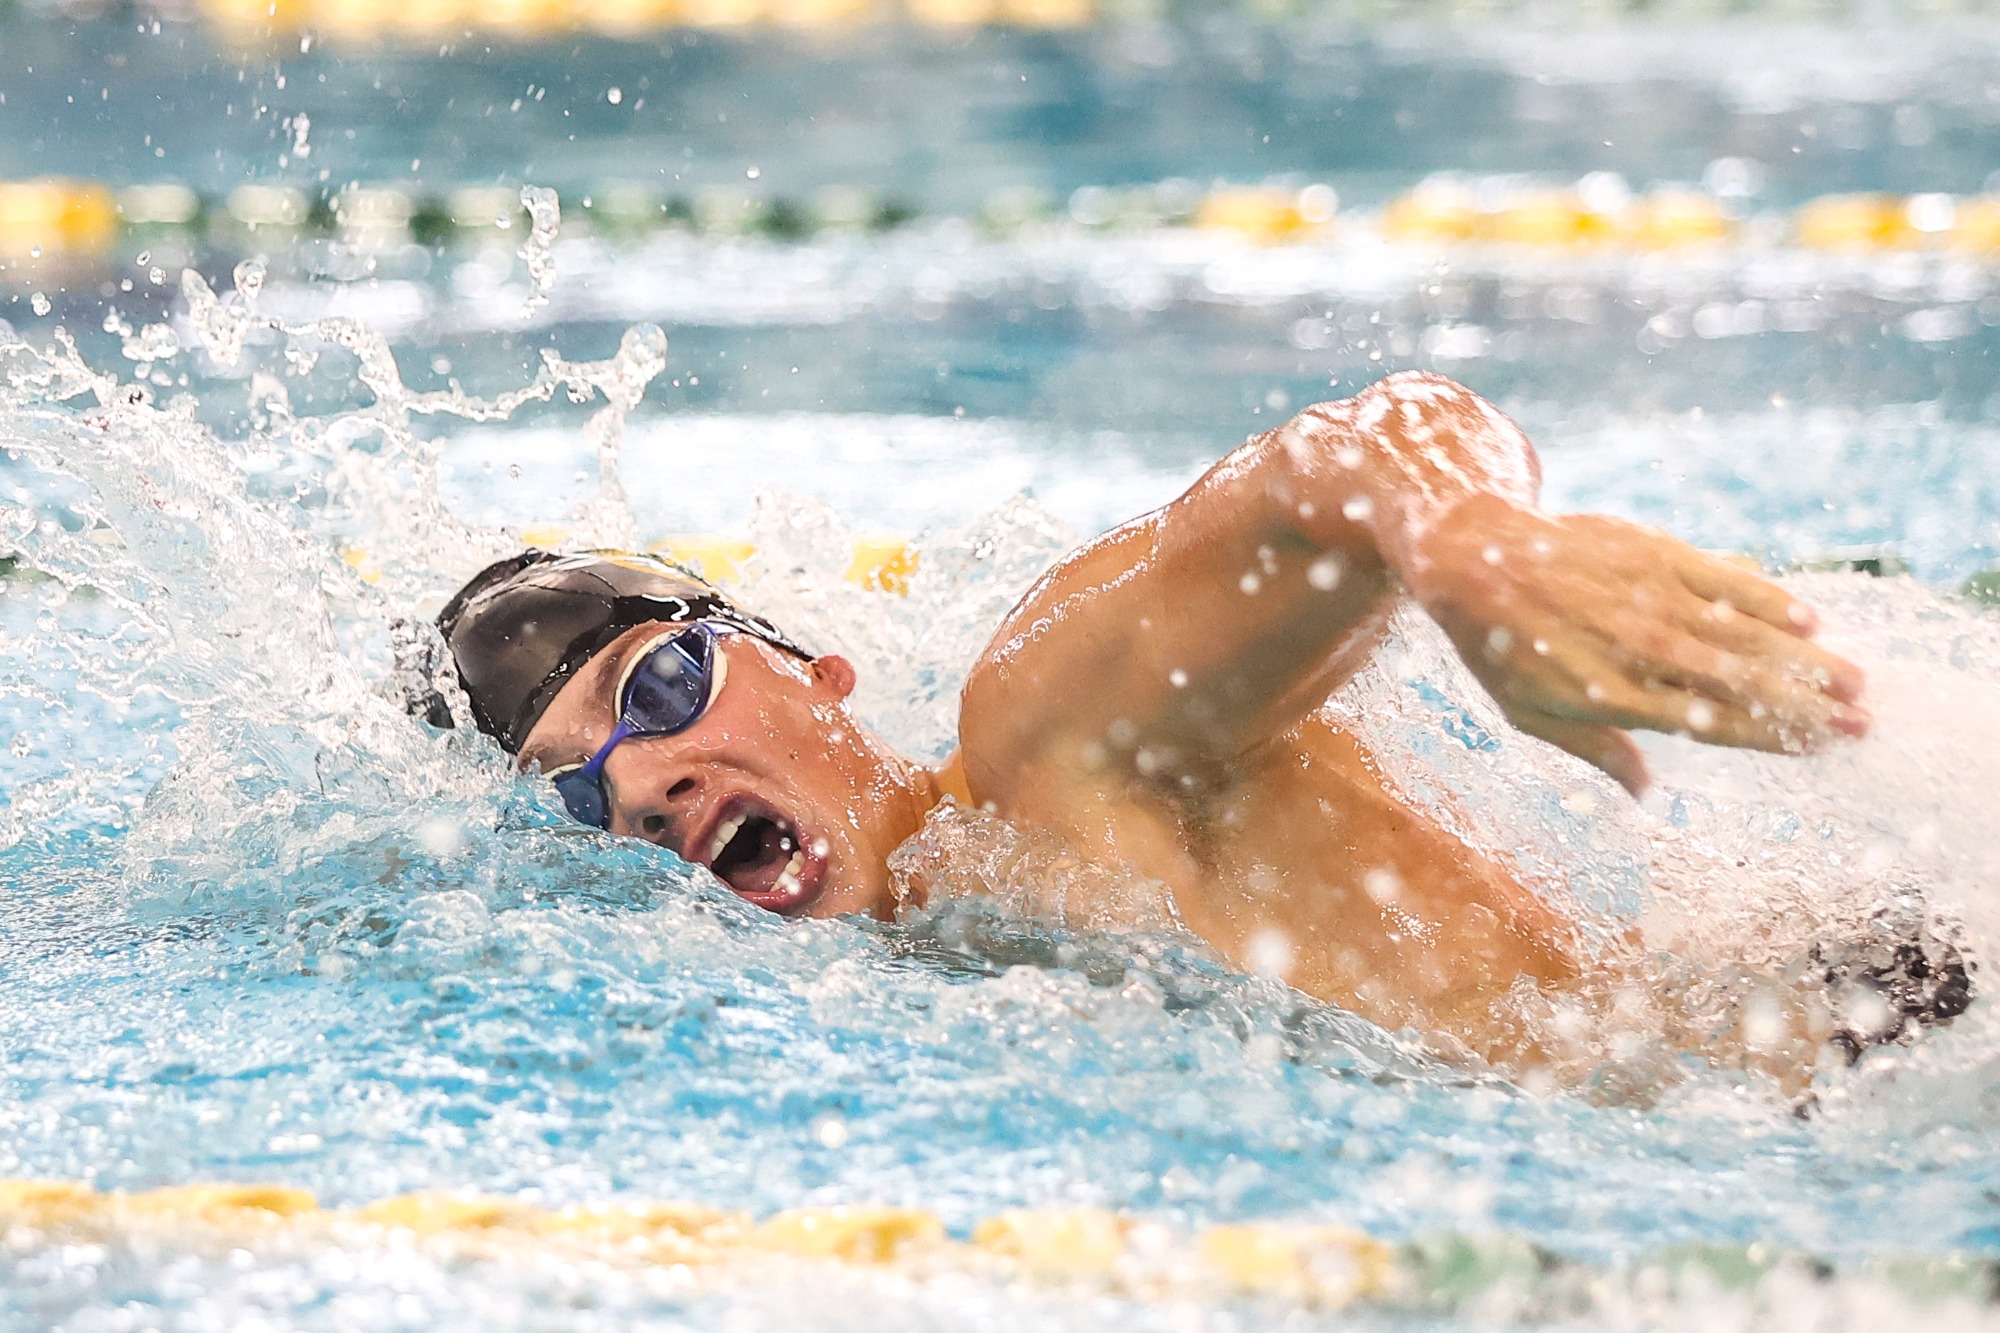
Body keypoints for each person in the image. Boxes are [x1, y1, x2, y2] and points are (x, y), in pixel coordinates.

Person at [435, 371, 1957, 1083]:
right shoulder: (928, 983)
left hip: (1865, 1036)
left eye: (662, 684)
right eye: (580, 787)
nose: (647, 776)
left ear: (817, 670)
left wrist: (1470, 547)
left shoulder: (1039, 746)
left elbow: (1342, 455)